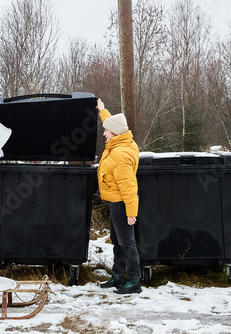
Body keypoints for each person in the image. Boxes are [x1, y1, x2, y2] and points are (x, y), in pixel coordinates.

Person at [96, 98, 141, 294]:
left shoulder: (120, 154)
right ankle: (117, 275)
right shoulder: (120, 142)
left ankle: (133, 280)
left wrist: (131, 213)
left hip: (122, 204)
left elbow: (129, 187)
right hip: (117, 203)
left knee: (126, 242)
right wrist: (102, 110)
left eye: (106, 131)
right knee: (118, 240)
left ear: (114, 133)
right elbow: (113, 124)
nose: (104, 133)